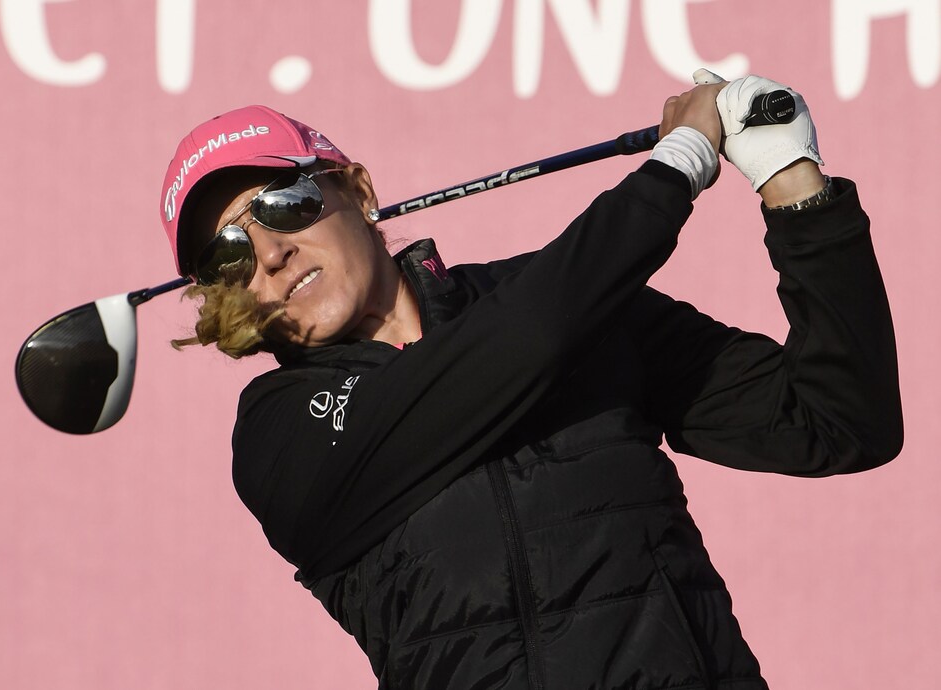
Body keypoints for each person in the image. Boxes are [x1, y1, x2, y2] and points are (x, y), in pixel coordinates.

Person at [158, 71, 902, 689]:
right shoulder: (277, 434)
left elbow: (837, 422)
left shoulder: (574, 307)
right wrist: (676, 166)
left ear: (355, 189)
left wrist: (793, 186)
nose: (272, 255)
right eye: (229, 256)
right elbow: (526, 341)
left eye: (284, 205)